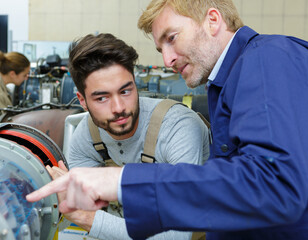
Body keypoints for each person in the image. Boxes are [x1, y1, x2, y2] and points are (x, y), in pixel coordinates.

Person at [27, 0, 308, 239]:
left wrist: (121, 180)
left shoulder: (268, 58)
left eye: (172, 38)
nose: (167, 60)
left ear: (213, 20)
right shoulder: (227, 84)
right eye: (160, 48)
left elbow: (275, 185)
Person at [49, 33, 209, 240]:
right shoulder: (87, 135)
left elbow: (179, 234)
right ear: (82, 100)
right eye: (102, 97)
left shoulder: (177, 127)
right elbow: (83, 203)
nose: (119, 108)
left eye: (125, 91)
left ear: (135, 84)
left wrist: (83, 216)